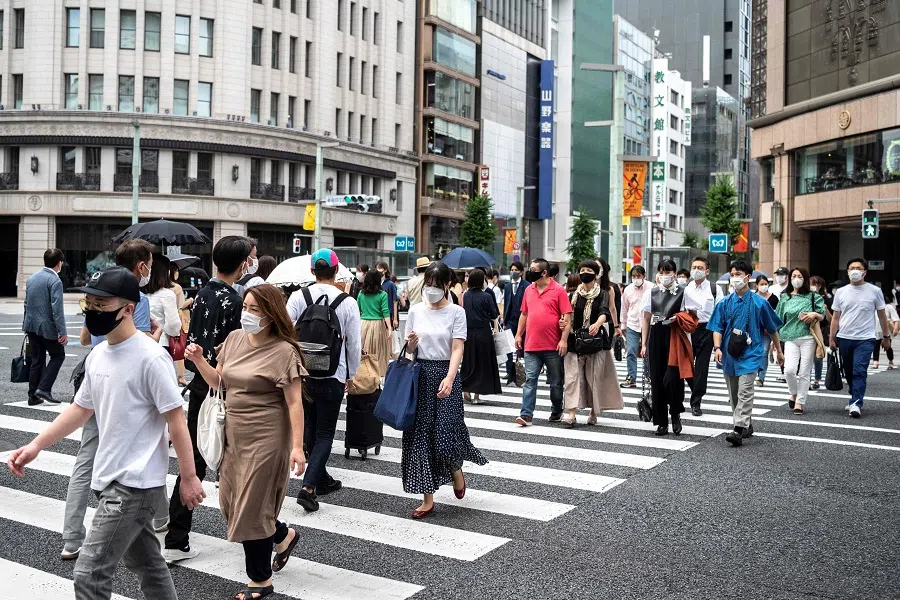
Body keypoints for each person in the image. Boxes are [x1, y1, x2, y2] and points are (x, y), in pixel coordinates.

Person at [8, 266, 206, 599]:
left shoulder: (151, 358)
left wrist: (188, 477)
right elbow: (80, 410)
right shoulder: (99, 354)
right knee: (150, 568)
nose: (93, 311)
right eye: (90, 303)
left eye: (102, 304)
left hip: (135, 484)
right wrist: (36, 445)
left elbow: (176, 421)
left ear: (128, 309)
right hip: (108, 478)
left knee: (89, 574)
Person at [185, 284, 307, 600]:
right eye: (246, 307)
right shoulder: (235, 339)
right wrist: (199, 361)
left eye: (255, 309)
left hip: (268, 437)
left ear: (271, 314)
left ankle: (260, 582)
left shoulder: (284, 351)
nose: (247, 314)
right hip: (234, 434)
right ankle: (283, 535)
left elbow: (294, 402)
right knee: (232, 502)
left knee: (252, 508)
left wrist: (297, 446)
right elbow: (220, 382)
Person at [62, 240, 158, 561]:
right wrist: (156, 334)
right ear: (141, 266)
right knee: (144, 451)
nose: (150, 269)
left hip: (95, 377)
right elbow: (140, 344)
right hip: (126, 387)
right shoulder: (135, 298)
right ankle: (156, 520)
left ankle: (72, 536)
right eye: (150, 263)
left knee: (85, 459)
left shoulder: (98, 291)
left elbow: (85, 337)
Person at [164, 235, 253, 562]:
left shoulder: (202, 294)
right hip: (226, 389)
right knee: (240, 463)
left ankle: (176, 536)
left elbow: (193, 346)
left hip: (201, 384)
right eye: (249, 258)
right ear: (243, 263)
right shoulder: (235, 301)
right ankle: (267, 534)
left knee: (196, 460)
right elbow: (237, 353)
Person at [402, 262, 487, 518]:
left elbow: (457, 348)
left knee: (446, 435)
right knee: (420, 438)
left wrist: (450, 378)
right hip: (421, 377)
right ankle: (427, 498)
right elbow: (407, 351)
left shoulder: (456, 313)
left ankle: (456, 470)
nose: (431, 289)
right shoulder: (415, 311)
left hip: (446, 375)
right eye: (428, 284)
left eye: (437, 285)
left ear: (448, 285)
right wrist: (410, 345)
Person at [287, 249, 361, 512]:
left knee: (309, 426)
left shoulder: (298, 296)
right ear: (336, 270)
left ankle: (323, 478)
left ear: (311, 272)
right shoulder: (348, 302)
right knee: (325, 432)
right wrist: (351, 375)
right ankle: (308, 488)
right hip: (333, 373)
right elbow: (353, 344)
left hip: (303, 373)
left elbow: (285, 332)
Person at [708, 259, 785, 446]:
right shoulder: (724, 303)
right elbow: (717, 327)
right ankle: (745, 424)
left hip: (752, 352)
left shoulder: (760, 303)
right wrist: (717, 348)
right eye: (732, 275)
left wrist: (779, 351)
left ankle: (738, 429)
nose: (735, 278)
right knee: (733, 393)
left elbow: (772, 328)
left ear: (748, 277)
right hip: (729, 353)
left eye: (738, 275)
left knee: (745, 390)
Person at [639, 259, 700, 436]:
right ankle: (661, 422)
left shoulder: (683, 291)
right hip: (656, 334)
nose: (665, 276)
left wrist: (679, 317)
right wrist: (643, 343)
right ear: (657, 273)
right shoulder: (652, 292)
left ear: (674, 273)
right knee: (657, 379)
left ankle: (675, 414)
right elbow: (646, 317)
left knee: (673, 378)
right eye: (662, 272)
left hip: (674, 334)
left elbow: (694, 314)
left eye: (669, 272)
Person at [562, 261, 623, 427]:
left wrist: (597, 324)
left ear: (596, 275)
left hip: (595, 341)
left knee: (593, 378)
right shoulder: (573, 295)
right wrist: (563, 325)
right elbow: (567, 316)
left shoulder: (603, 293)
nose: (585, 273)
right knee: (572, 378)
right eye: (582, 270)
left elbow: (606, 311)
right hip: (575, 340)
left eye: (589, 270)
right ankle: (572, 413)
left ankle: (593, 411)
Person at [830, 258, 892, 418]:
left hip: (866, 338)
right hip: (844, 337)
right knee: (849, 371)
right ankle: (853, 394)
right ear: (847, 271)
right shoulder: (841, 292)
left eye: (858, 267)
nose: (855, 270)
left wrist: (886, 337)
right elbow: (836, 317)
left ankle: (856, 402)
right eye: (851, 268)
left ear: (865, 272)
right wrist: (831, 338)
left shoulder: (874, 291)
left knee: (859, 370)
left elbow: (882, 315)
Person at [514, 259, 573, 426]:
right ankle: (526, 414)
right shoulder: (528, 290)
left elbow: (567, 317)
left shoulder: (559, 290)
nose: (530, 272)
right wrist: (519, 335)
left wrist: (563, 340)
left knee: (555, 381)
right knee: (530, 379)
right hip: (531, 344)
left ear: (544, 272)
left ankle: (556, 410)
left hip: (553, 345)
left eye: (533, 269)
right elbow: (524, 315)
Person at [775, 267, 825, 416]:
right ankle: (794, 393)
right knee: (789, 370)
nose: (796, 278)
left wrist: (814, 314)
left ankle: (800, 402)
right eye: (794, 276)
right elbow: (778, 319)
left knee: (804, 371)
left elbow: (822, 315)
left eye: (800, 276)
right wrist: (774, 342)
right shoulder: (785, 297)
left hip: (808, 337)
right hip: (789, 337)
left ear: (805, 279)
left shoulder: (813, 296)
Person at [22, 248, 68, 405]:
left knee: (37, 360)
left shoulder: (32, 278)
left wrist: (26, 324)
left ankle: (32, 396)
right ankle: (44, 388)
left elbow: (26, 304)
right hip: (47, 327)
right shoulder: (55, 281)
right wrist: (62, 332)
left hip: (31, 326)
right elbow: (57, 310)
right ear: (59, 263)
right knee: (58, 355)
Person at [684, 256, 719, 416]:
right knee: (686, 365)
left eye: (700, 267)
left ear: (707, 271)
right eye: (694, 267)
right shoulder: (685, 288)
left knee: (702, 367)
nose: (696, 270)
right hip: (689, 329)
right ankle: (695, 390)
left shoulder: (714, 288)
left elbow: (720, 311)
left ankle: (696, 402)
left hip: (707, 329)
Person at [461, 269, 501, 403]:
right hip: (483, 332)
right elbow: (494, 314)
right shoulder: (486, 296)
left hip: (468, 332)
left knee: (469, 361)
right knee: (482, 363)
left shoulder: (466, 295)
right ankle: (477, 395)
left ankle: (466, 389)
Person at [145, 255, 183, 359]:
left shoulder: (139, 293)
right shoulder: (167, 294)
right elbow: (173, 326)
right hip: (161, 343)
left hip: (141, 344)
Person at [620, 266, 651, 388]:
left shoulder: (651, 288)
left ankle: (648, 375)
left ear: (644, 276)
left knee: (647, 351)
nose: (636, 278)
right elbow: (624, 308)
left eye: (638, 276)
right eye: (633, 276)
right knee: (631, 351)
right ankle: (631, 378)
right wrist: (623, 325)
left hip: (649, 324)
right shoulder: (628, 290)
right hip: (632, 324)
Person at [357, 269, 392, 376]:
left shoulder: (361, 294)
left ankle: (365, 375)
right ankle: (377, 377)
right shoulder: (382, 295)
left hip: (363, 324)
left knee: (364, 352)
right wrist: (389, 328)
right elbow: (385, 312)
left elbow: (357, 310)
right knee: (378, 353)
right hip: (378, 325)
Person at [502, 261, 530, 386]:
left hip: (523, 320)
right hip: (511, 320)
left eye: (516, 270)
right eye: (512, 269)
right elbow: (507, 303)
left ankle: (524, 371)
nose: (514, 271)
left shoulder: (527, 286)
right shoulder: (508, 286)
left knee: (523, 346)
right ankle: (509, 371)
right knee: (508, 346)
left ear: (521, 272)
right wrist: (504, 321)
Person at [754, 274, 780, 387]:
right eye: (761, 284)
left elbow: (776, 315)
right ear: (756, 285)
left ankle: (761, 377)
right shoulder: (753, 297)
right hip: (754, 329)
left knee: (764, 351)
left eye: (766, 284)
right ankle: (753, 372)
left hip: (767, 330)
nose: (764, 286)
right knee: (756, 352)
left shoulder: (773, 299)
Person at [809, 275, 833, 387]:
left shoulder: (826, 299)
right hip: (807, 328)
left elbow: (831, 319)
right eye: (812, 284)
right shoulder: (806, 297)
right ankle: (807, 378)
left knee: (818, 355)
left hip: (821, 329)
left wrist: (825, 309)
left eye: (817, 284)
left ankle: (817, 379)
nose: (814, 286)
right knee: (806, 356)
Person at [169, 262, 190, 387]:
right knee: (179, 348)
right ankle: (181, 376)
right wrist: (191, 300)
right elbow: (180, 305)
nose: (178, 273)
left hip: (164, 323)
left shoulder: (160, 287)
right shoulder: (177, 288)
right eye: (176, 271)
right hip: (177, 321)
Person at [880, 291, 900, 370]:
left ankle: (890, 361)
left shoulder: (888, 307)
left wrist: (895, 329)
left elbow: (896, 319)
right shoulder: (873, 306)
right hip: (875, 330)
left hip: (886, 330)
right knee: (874, 346)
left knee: (888, 347)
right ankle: (875, 361)